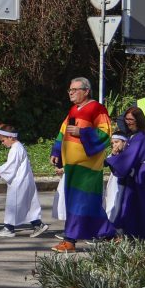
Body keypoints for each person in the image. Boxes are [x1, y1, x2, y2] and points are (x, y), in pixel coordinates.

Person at [51, 77, 113, 252]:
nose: (70, 93)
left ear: (86, 91)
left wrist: (82, 132)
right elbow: (63, 131)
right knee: (87, 203)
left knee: (78, 203)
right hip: (72, 165)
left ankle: (69, 241)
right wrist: (56, 151)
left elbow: (105, 134)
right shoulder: (73, 110)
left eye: (75, 89)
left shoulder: (97, 108)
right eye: (69, 90)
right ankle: (111, 235)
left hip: (88, 167)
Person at [0, 124, 49, 238]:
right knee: (27, 205)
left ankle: (9, 228)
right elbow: (12, 164)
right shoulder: (18, 147)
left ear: (10, 137)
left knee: (13, 205)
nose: (2, 143)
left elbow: (11, 165)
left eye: (3, 140)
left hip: (19, 182)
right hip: (24, 180)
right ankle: (38, 225)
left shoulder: (15, 149)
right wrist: (0, 169)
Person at [107, 106, 145, 242]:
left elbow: (129, 158)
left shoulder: (141, 137)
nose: (128, 122)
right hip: (142, 171)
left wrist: (111, 160)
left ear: (139, 120)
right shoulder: (138, 136)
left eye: (131, 119)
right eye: (126, 119)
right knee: (134, 203)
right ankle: (135, 235)